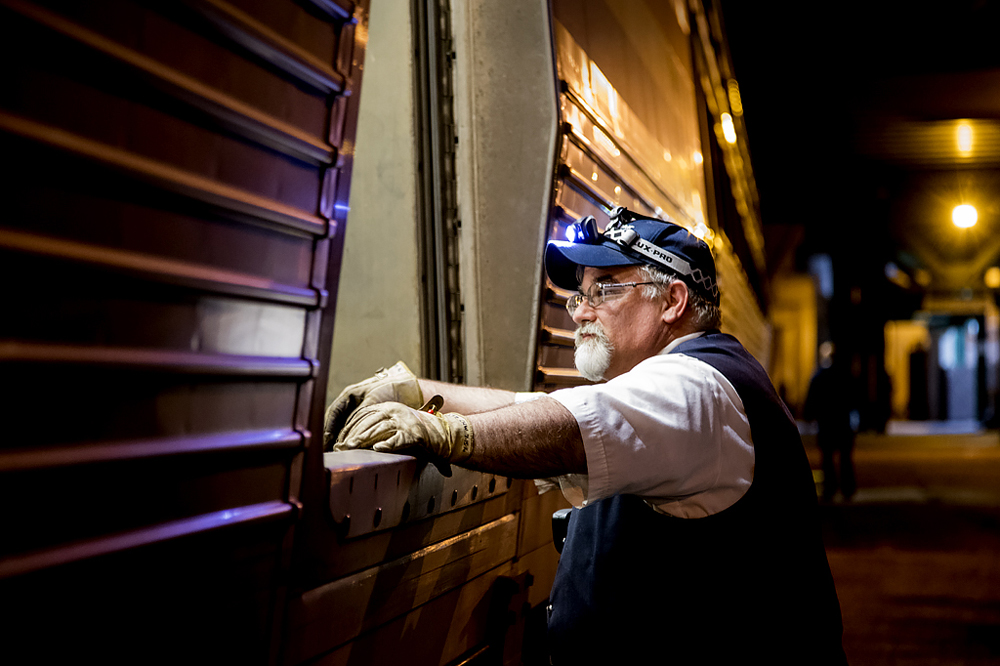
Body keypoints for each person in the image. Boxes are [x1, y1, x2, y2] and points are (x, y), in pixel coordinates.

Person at [326, 207, 847, 664]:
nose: (581, 311)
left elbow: (570, 428)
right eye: (579, 294)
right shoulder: (686, 383)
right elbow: (531, 408)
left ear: (673, 301)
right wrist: (416, 391)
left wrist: (444, 433)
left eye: (605, 289)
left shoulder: (696, 387)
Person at [804, 342, 858, 502]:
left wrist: (809, 415)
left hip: (826, 423)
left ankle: (830, 487)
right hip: (842, 422)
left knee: (827, 458)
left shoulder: (820, 376)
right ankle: (847, 488)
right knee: (845, 458)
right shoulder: (846, 376)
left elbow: (812, 399)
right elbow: (853, 399)